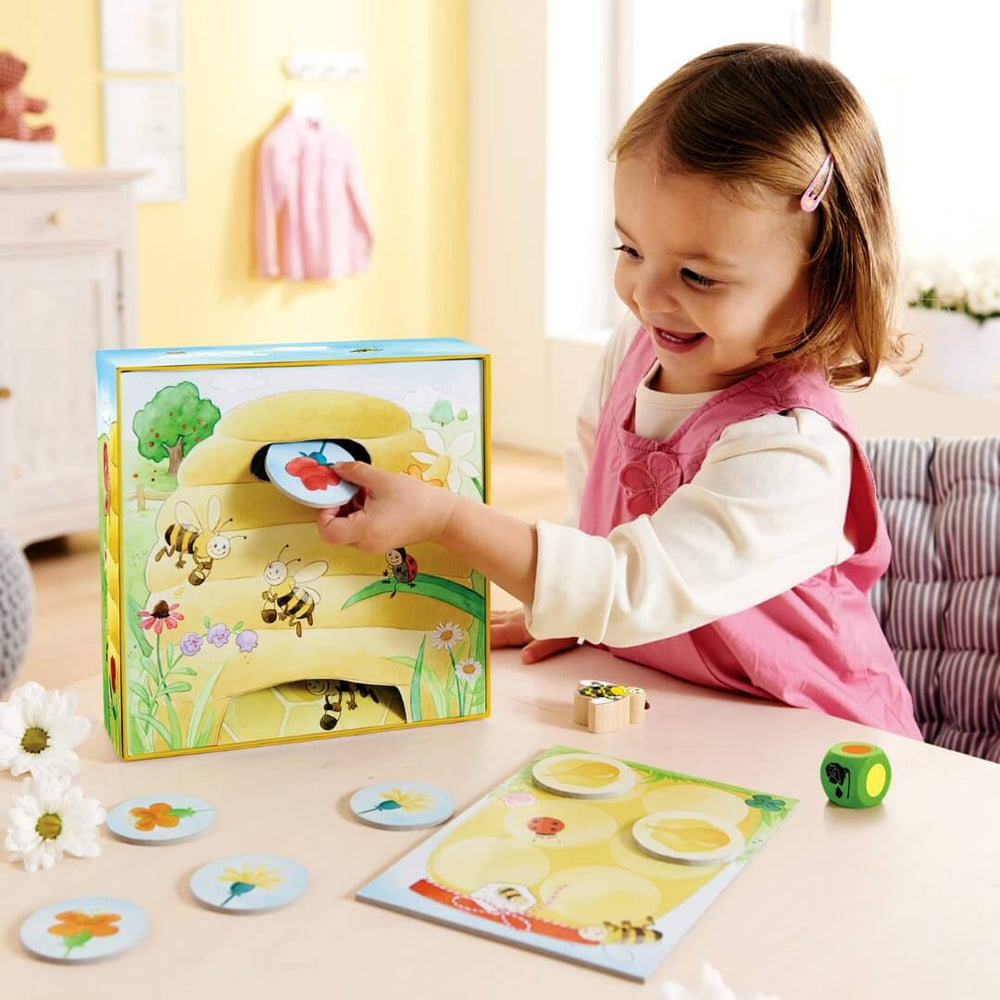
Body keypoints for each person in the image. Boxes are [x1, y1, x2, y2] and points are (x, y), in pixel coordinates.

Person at [316, 43, 922, 740]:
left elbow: (639, 587)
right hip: (681, 708)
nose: (647, 295)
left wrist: (451, 520)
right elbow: (600, 520)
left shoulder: (794, 449)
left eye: (699, 276)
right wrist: (574, 610)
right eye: (630, 250)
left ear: (823, 281)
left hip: (817, 738)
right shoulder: (633, 355)